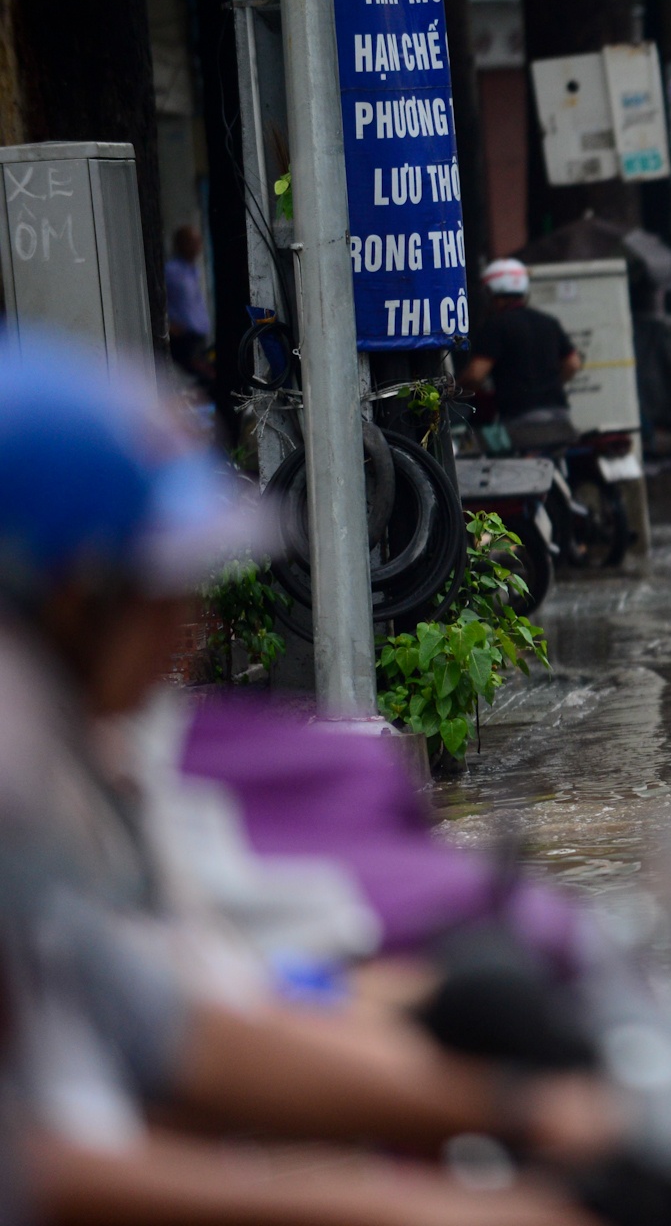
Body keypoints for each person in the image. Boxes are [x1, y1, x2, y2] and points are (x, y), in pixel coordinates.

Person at [0, 354, 612, 1226]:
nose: (191, 622)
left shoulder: (70, 779)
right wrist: (411, 1205)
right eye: (157, 587)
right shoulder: (19, 788)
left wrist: (508, 1102)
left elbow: (171, 1027)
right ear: (70, 595)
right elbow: (38, 1165)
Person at [464, 259, 583, 451]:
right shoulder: (548, 322)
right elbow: (573, 364)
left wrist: (454, 391)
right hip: (559, 417)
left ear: (491, 292)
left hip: (520, 423)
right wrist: (548, 384)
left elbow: (475, 376)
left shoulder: (495, 325)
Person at [163, 225, 212, 384]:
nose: (198, 247)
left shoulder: (192, 269)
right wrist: (170, 325)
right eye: (193, 242)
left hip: (197, 337)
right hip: (183, 337)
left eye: (199, 242)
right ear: (181, 244)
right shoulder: (172, 271)